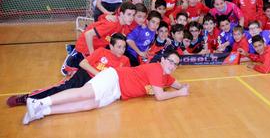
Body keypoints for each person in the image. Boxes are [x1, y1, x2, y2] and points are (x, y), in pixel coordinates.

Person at [23, 51, 189, 125]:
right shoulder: (156, 68)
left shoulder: (166, 76)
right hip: (114, 78)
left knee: (88, 105)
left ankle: (41, 112)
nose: (173, 65)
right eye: (171, 61)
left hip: (117, 93)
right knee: (84, 93)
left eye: (176, 64)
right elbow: (159, 96)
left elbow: (177, 84)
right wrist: (180, 93)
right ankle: (39, 102)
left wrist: (182, 87)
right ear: (162, 60)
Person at [7, 33, 130, 107]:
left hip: (99, 85)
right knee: (62, 90)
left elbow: (125, 78)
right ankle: (28, 97)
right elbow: (83, 63)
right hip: (86, 76)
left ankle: (41, 102)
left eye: (124, 47)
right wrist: (98, 74)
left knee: (73, 101)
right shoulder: (101, 51)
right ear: (111, 46)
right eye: (119, 47)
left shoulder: (125, 61)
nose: (122, 50)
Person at [61, 2, 136, 76]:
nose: (131, 18)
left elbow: (102, 18)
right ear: (121, 14)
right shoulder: (112, 24)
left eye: (133, 15)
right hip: (85, 47)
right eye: (129, 14)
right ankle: (73, 53)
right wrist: (92, 54)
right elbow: (88, 34)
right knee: (69, 73)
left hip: (98, 48)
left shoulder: (122, 25)